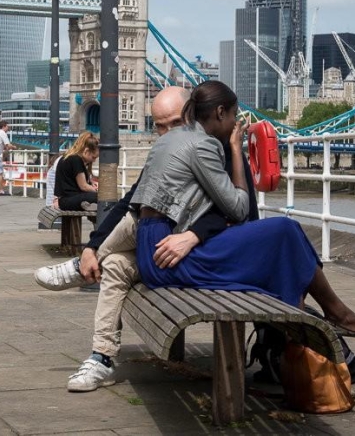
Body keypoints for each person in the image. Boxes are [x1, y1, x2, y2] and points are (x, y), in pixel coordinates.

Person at [37, 86, 244, 391]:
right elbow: (131, 201)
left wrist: (193, 236)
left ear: (192, 114)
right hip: (159, 240)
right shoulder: (167, 149)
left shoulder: (217, 147)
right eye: (159, 126)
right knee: (117, 265)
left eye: (173, 124)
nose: (167, 133)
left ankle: (79, 268)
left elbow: (234, 212)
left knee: (129, 235)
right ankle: (102, 358)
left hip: (193, 247)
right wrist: (93, 246)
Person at [132, 80, 355, 335]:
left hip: (153, 249)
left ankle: (319, 320)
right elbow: (239, 210)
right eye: (233, 115)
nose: (235, 122)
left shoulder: (169, 139)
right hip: (170, 257)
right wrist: (237, 150)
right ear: (220, 113)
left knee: (283, 238)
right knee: (285, 230)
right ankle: (333, 316)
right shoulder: (204, 144)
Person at [54, 132, 99, 211]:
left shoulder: (68, 157)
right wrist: (96, 190)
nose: (94, 160)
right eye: (93, 157)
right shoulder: (76, 160)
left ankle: (91, 207)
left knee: (98, 199)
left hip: (64, 200)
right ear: (86, 151)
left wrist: (91, 184)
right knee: (102, 197)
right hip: (68, 201)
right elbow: (83, 186)